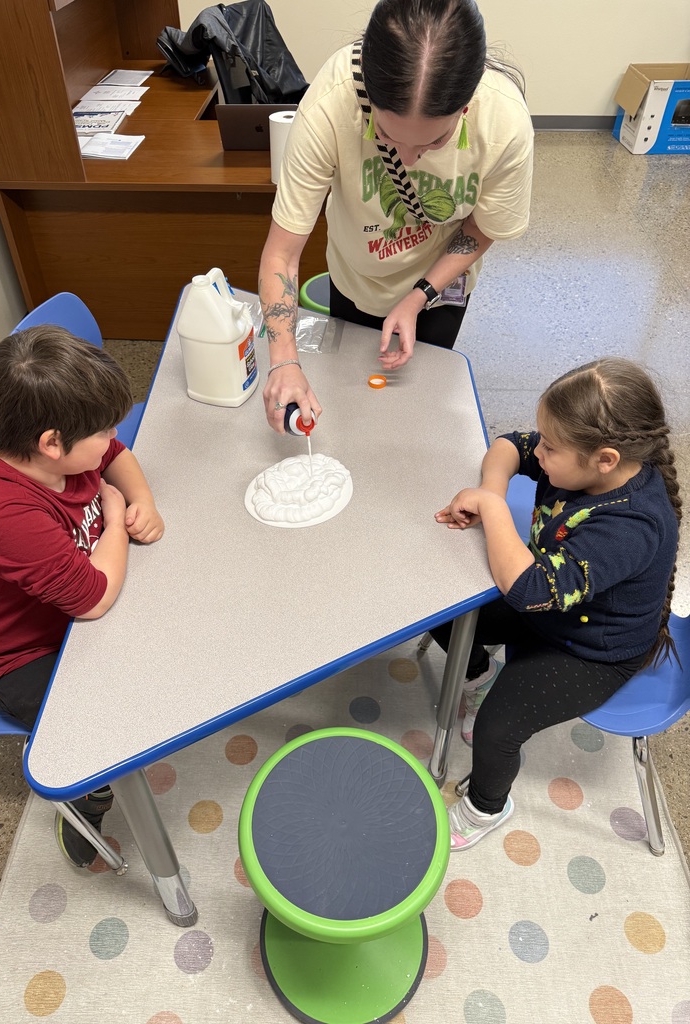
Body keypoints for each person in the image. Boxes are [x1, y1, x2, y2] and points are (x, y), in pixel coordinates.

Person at [430, 357, 681, 851]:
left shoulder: (631, 528)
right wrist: (489, 489)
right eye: (544, 440)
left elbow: (529, 590)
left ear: (605, 459)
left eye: (550, 446)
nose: (538, 451)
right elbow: (508, 445)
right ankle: (479, 676)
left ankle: (486, 809)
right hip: (555, 608)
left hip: (591, 650)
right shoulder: (577, 461)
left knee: (496, 730)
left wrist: (494, 509)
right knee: (443, 612)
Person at [0, 326, 165, 869]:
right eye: (101, 428)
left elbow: (114, 453)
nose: (111, 436)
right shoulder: (6, 515)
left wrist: (142, 498)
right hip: (12, 653)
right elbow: (93, 598)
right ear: (50, 444)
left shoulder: (48, 446)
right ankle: (89, 798)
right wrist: (115, 520)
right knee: (97, 730)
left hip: (62, 606)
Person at [259, 0, 533, 432]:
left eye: (434, 142)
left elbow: (481, 227)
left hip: (442, 287)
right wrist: (284, 361)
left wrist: (419, 295)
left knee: (418, 405)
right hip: (354, 279)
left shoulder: (503, 122)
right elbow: (282, 254)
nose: (409, 157)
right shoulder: (331, 104)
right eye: (386, 135)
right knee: (349, 396)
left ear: (465, 106)